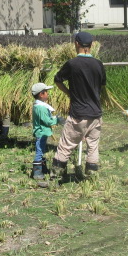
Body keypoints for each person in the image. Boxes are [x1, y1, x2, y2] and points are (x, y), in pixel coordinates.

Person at [51, 31, 106, 182]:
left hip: (78, 114)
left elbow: (58, 80)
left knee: (66, 144)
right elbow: (102, 86)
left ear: (76, 44)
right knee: (93, 146)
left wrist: (69, 93)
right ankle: (91, 176)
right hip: (95, 114)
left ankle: (56, 176)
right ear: (92, 45)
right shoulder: (99, 64)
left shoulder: (72, 64)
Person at [30, 83, 63, 180]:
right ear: (41, 94)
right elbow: (47, 121)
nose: (48, 94)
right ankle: (37, 173)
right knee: (39, 151)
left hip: (42, 132)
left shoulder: (38, 105)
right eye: (46, 92)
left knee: (42, 150)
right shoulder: (41, 108)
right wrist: (57, 119)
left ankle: (43, 169)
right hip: (41, 132)